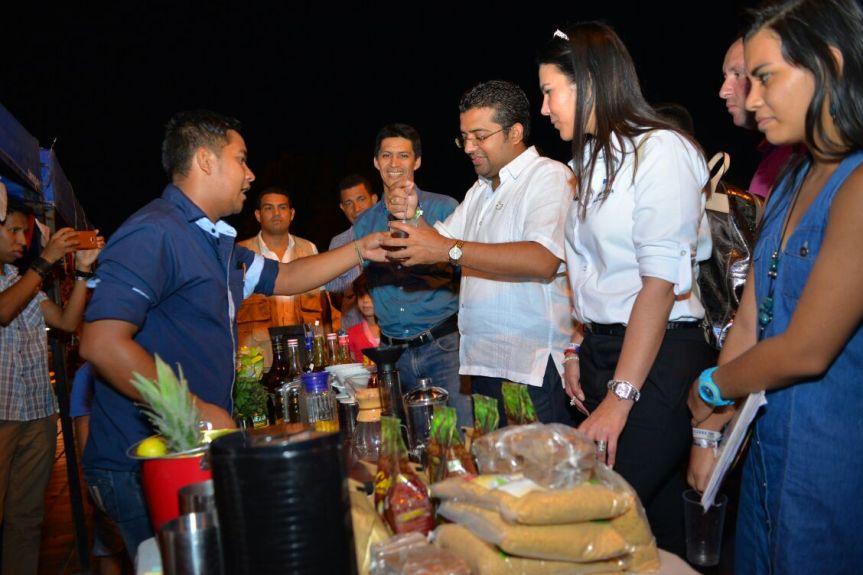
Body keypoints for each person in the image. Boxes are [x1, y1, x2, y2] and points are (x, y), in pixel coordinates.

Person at [79, 110, 386, 557]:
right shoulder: (154, 232)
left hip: (192, 450)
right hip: (146, 460)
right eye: (241, 160)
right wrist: (195, 409)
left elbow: (286, 277)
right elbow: (101, 342)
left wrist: (360, 249)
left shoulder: (218, 244)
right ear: (205, 161)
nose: (250, 173)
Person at [688, 1, 863, 572]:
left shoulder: (858, 183)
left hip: (833, 469)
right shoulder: (792, 177)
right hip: (765, 456)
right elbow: (749, 315)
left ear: (830, 65)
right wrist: (709, 437)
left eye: (764, 77)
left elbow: (807, 350)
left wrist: (715, 387)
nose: (751, 97)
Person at [537, 23, 716, 554]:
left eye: (549, 91)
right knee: (651, 528)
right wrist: (576, 347)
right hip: (604, 353)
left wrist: (619, 398)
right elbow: (588, 274)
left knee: (602, 521)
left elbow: (658, 285)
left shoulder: (660, 150)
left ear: (589, 82)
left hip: (656, 358)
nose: (544, 108)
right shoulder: (586, 164)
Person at [384, 80, 576, 426]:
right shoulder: (481, 191)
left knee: (540, 474)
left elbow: (542, 260)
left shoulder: (548, 177)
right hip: (483, 364)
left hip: (528, 367)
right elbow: (430, 245)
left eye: (480, 135)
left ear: (515, 132)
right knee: (499, 474)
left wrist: (448, 249)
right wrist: (412, 215)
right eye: (464, 137)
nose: (469, 146)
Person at [0, 199, 102, 575]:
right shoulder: (23, 280)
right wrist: (45, 260)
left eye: (22, 232)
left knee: (26, 520)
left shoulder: (17, 278)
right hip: (3, 414)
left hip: (37, 412)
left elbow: (65, 321)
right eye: (11, 230)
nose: (21, 239)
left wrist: (82, 274)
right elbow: (3, 311)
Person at [352, 123, 470, 426]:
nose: (394, 164)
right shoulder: (364, 223)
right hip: (392, 356)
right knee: (409, 450)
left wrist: (414, 219)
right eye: (387, 156)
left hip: (442, 346)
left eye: (403, 156)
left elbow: (465, 268)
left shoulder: (445, 208)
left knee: (458, 443)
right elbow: (335, 279)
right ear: (376, 162)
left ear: (416, 161)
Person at [237, 187, 327, 366]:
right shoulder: (241, 255)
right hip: (257, 363)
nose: (276, 213)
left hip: (307, 358)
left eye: (282, 207)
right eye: (269, 208)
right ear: (258, 214)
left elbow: (325, 309)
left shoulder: (309, 250)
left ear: (292, 213)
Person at [69, 363, 127, 575]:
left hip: (142, 468)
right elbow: (83, 424)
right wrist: (91, 480)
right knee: (110, 546)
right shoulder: (87, 373)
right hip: (108, 471)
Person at [721, 36, 793, 199]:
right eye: (726, 77)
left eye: (738, 74)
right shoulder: (774, 151)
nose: (723, 92)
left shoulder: (817, 160)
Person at [326, 174, 379, 332]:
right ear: (342, 207)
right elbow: (333, 290)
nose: (356, 209)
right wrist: (353, 289)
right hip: (354, 330)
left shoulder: (390, 235)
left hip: (390, 330)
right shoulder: (338, 243)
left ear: (374, 199)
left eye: (361, 199)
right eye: (349, 203)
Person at [346, 274, 380, 364]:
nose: (365, 300)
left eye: (371, 295)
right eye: (361, 295)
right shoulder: (352, 333)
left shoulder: (394, 330)